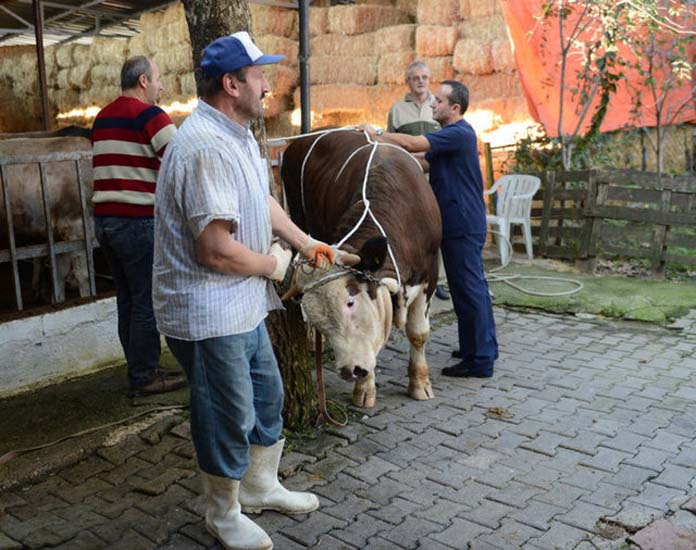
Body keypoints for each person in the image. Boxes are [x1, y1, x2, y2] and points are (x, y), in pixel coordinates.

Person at [152, 32, 335, 550]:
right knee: (225, 412)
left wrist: (304, 241)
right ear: (231, 85)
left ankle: (258, 486)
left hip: (241, 303)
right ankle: (222, 512)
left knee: (266, 396)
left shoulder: (237, 135)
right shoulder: (205, 148)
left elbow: (261, 200)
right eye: (259, 76)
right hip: (208, 310)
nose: (268, 85)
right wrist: (276, 268)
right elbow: (215, 249)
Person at [361, 80, 498, 378]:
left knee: (469, 289)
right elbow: (420, 161)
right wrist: (378, 151)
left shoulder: (458, 132)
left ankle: (481, 360)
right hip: (460, 220)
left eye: (439, 100)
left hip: (461, 221)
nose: (433, 104)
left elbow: (412, 144)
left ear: (455, 108)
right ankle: (477, 346)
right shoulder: (451, 137)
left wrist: (379, 133)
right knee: (470, 288)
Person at [91, 56, 185, 395]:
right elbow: (180, 161)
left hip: (106, 222)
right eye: (158, 79)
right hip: (137, 222)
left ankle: (138, 369)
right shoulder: (150, 115)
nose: (161, 86)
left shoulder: (102, 117)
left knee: (127, 300)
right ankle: (145, 376)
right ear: (143, 80)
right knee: (146, 302)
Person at [387, 60, 449, 300]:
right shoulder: (397, 110)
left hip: (436, 175)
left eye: (424, 77)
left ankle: (438, 279)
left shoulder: (439, 106)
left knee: (436, 224)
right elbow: (392, 143)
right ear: (408, 82)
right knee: (409, 226)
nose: (420, 81)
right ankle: (409, 275)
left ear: (429, 79)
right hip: (409, 178)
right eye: (415, 77)